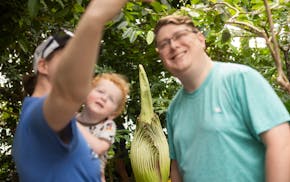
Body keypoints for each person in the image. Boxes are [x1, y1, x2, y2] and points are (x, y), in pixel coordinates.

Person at [12, 0, 152, 181]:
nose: (81, 65)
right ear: (43, 66)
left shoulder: (64, 123)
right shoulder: (38, 115)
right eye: (69, 55)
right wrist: (95, 17)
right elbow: (70, 91)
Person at [153, 14, 290, 182]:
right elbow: (177, 170)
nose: (173, 45)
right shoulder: (174, 109)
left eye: (180, 36)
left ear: (201, 39)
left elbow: (282, 143)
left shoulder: (241, 79)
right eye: (164, 44)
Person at [76, 73, 130, 182]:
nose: (104, 98)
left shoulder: (108, 126)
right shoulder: (71, 118)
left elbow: (99, 148)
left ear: (113, 113)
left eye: (111, 99)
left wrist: (76, 125)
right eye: (100, 91)